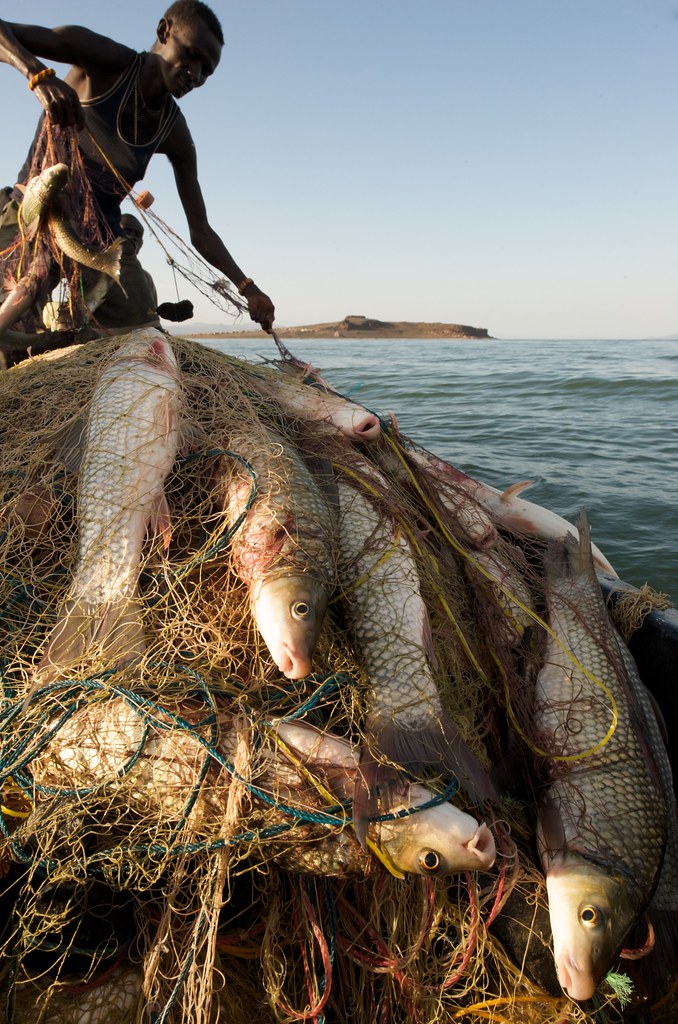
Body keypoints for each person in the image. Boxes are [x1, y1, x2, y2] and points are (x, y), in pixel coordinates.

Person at [0, 2, 274, 353]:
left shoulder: (174, 132)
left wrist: (248, 288)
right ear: (163, 32)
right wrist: (37, 75)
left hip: (100, 245)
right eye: (191, 56)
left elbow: (201, 231)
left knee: (145, 339)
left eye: (207, 70)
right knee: (10, 334)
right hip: (33, 216)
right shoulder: (105, 60)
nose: (196, 74)